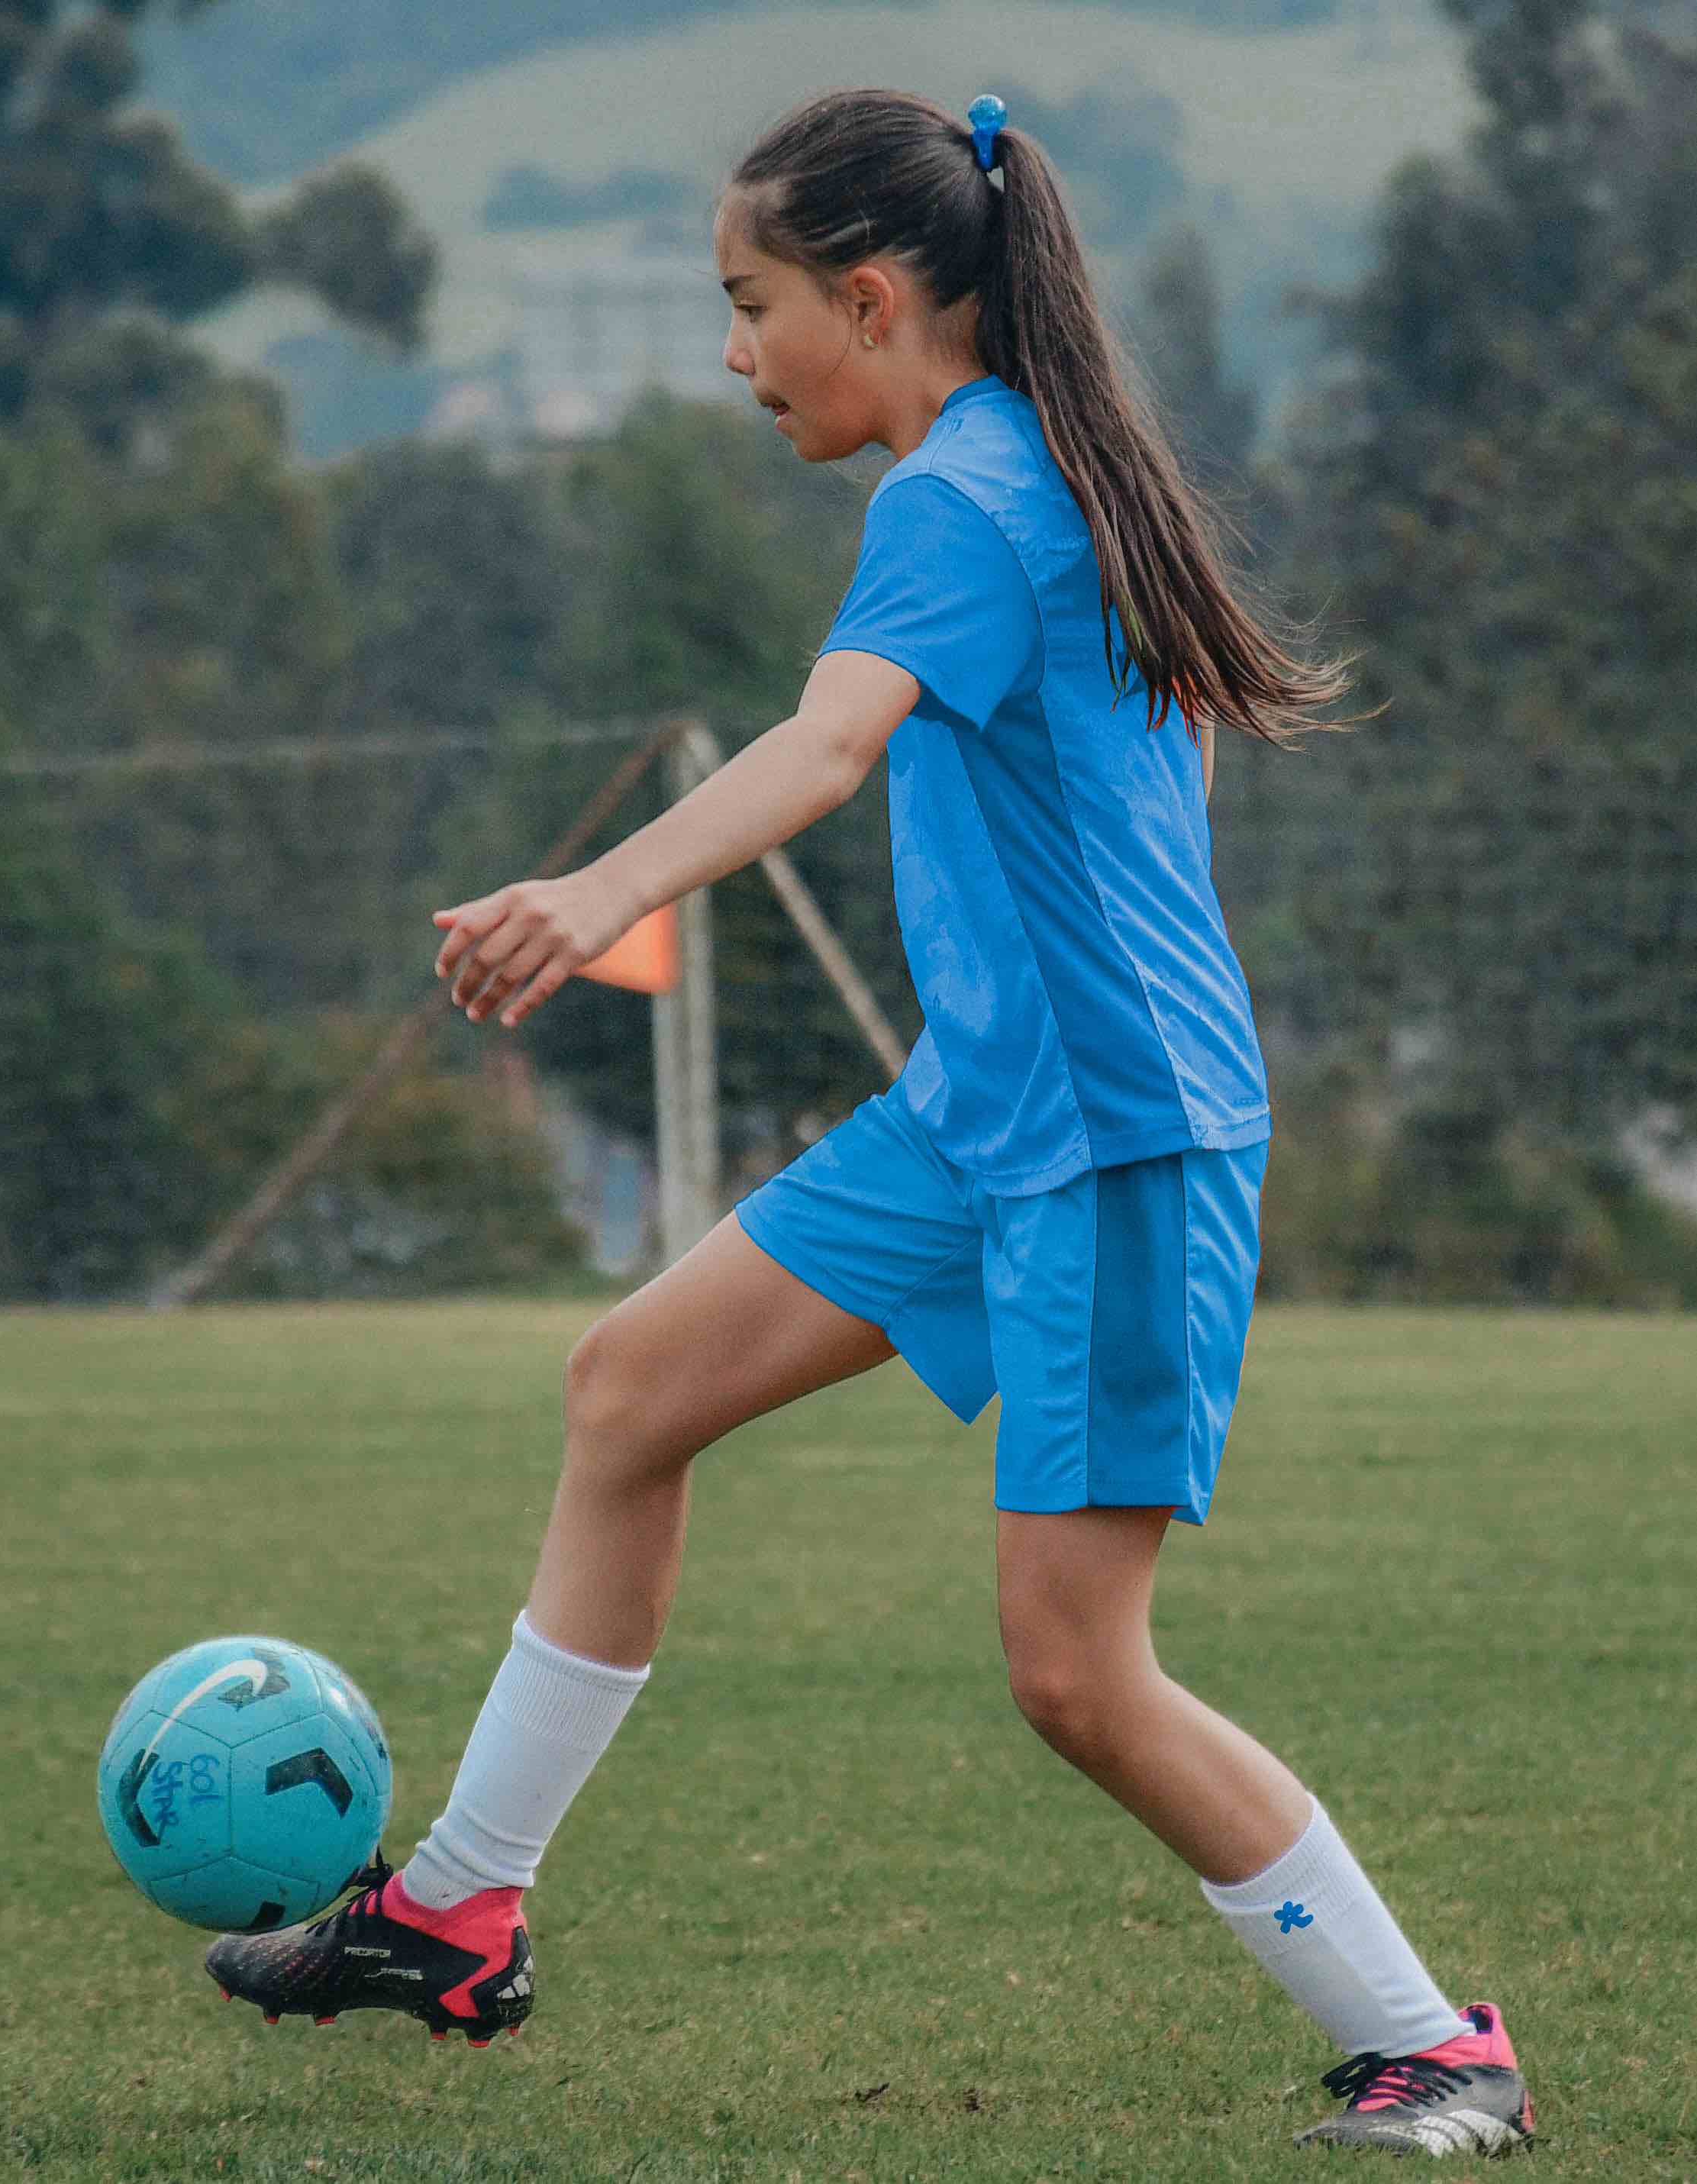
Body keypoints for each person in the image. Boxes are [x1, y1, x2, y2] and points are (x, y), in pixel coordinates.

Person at [206, 88, 1535, 2162]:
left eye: (747, 306)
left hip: (1108, 1140)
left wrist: (600, 891)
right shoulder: (1020, 470)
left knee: (1072, 1676)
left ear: (868, 293)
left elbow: (829, 744)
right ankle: (460, 1908)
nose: (733, 356)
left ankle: (1430, 2042)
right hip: (978, 1119)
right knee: (630, 1389)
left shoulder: (963, 497)